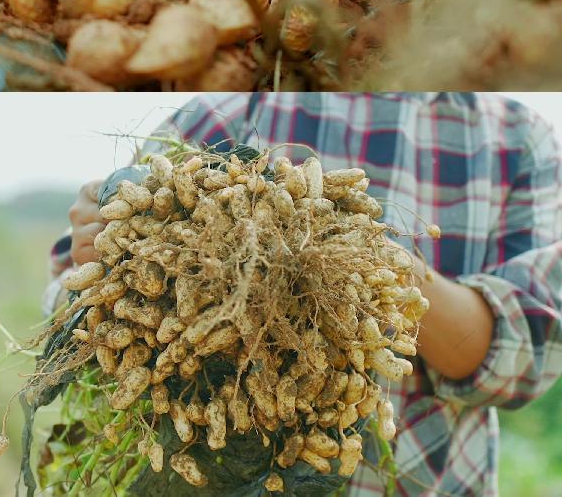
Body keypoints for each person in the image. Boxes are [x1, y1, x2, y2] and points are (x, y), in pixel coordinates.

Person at [45, 93, 562, 497]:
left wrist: (366, 256)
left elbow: (531, 356)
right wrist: (98, 247)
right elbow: (74, 310)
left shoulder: (518, 140)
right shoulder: (234, 109)